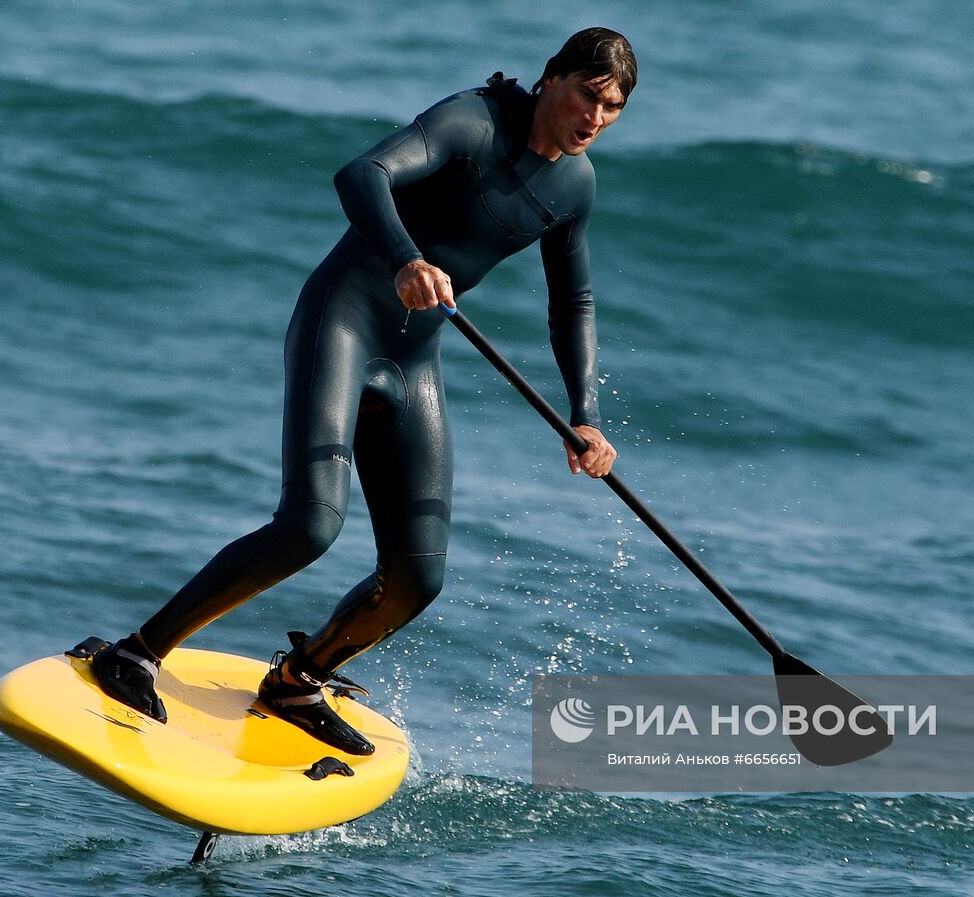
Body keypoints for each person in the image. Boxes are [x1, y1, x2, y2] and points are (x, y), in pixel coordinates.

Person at [89, 28, 636, 755]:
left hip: (415, 361)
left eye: (614, 107)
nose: (596, 117)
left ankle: (297, 681)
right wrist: (406, 258)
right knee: (309, 526)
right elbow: (362, 174)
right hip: (344, 321)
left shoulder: (575, 185)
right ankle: (136, 653)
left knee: (418, 576)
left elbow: (573, 304)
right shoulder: (472, 122)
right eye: (588, 95)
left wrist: (585, 417)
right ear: (551, 78)